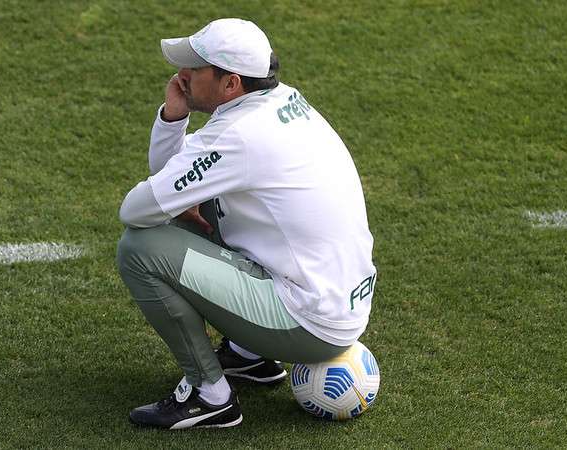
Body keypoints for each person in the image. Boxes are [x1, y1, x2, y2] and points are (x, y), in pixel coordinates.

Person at [116, 18, 376, 430]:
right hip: (338, 302)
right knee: (206, 202)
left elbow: (135, 210)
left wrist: (179, 205)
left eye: (195, 68)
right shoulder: (283, 102)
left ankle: (209, 395)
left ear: (231, 83)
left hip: (307, 323)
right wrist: (173, 117)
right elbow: (172, 181)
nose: (182, 74)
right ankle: (248, 356)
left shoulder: (238, 135)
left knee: (139, 248)